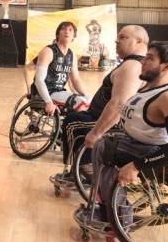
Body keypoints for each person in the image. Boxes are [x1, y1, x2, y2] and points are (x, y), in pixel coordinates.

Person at [88, 40, 168, 225]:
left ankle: (118, 217)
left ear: (166, 67)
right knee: (104, 142)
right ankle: (107, 206)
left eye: (149, 58)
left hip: (153, 154)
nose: (142, 62)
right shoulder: (150, 88)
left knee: (104, 148)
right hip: (136, 144)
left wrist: (136, 166)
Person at [56, 25, 149, 184]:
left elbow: (119, 105)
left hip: (114, 124)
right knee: (75, 115)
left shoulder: (132, 66)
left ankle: (83, 170)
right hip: (102, 116)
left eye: (123, 37)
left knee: (72, 122)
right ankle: (81, 167)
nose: (116, 41)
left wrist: (96, 133)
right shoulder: (134, 63)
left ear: (138, 41)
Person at [33, 21, 90, 116]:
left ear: (74, 36)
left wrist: (86, 96)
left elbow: (76, 80)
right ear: (58, 34)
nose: (67, 31)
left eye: (70, 30)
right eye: (63, 29)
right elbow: (39, 80)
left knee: (88, 101)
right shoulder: (48, 51)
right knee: (79, 102)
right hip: (46, 92)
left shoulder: (72, 55)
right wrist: (48, 102)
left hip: (59, 92)